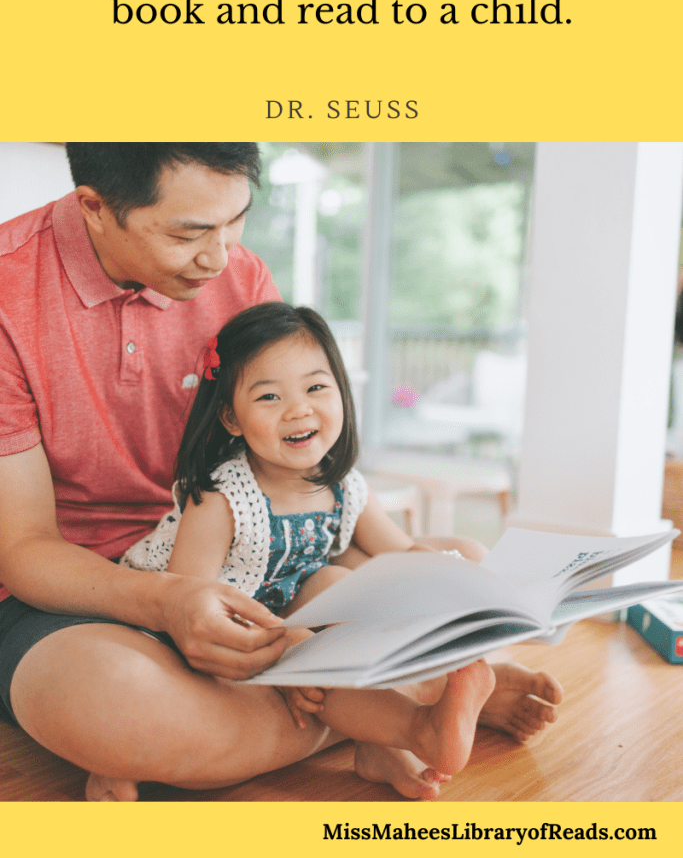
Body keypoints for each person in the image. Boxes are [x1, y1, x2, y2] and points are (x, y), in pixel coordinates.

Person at [0, 142, 562, 803]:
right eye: (190, 232)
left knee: (426, 567)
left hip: (253, 568)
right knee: (116, 701)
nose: (220, 256)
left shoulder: (237, 278)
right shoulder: (9, 291)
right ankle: (405, 698)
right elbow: (24, 550)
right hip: (78, 596)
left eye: (236, 219)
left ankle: (367, 700)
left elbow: (293, 467)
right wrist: (170, 602)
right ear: (95, 206)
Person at [118, 301, 496, 795]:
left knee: (349, 587)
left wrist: (460, 569)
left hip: (283, 609)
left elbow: (398, 554)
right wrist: (283, 644)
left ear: (342, 392)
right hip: (199, 626)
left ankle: (381, 743)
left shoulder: (344, 487)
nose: (299, 409)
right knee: (315, 656)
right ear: (231, 417)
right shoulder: (220, 497)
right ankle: (414, 730)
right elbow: (192, 604)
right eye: (270, 396)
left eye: (316, 387)